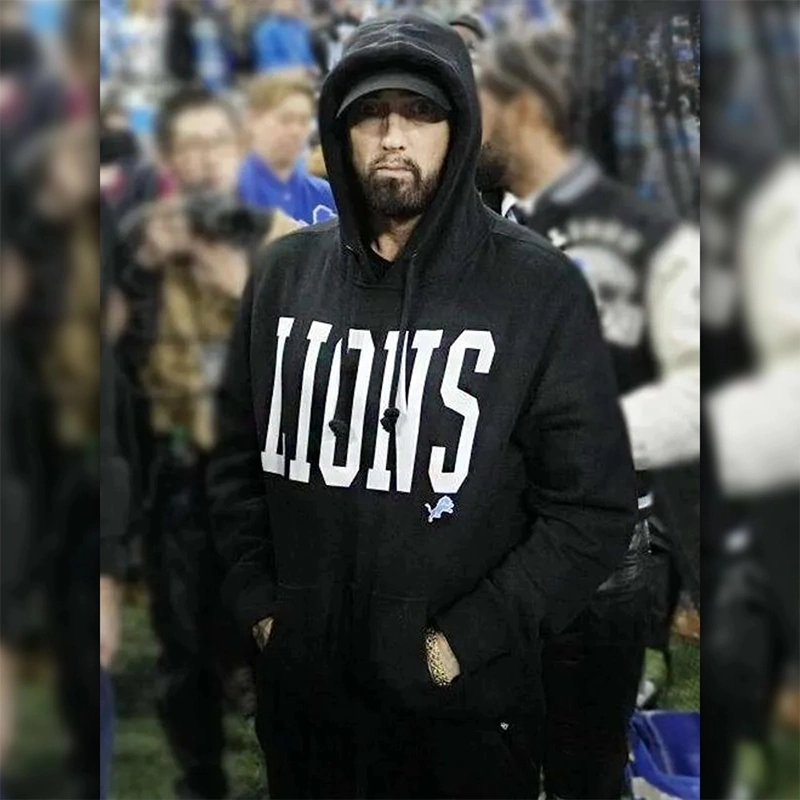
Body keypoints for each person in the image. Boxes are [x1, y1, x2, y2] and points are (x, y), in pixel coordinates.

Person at [209, 13, 637, 799]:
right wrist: (263, 608)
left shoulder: (538, 288)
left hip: (465, 722)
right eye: (370, 113)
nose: (393, 137)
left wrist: (457, 646)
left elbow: (590, 509)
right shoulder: (283, 276)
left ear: (460, 128)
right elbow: (232, 460)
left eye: (420, 112)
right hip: (307, 714)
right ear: (339, 131)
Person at [476, 23, 700, 798]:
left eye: (480, 101)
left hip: (596, 553)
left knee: (586, 767)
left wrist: (570, 438)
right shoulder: (478, 221)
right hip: (484, 549)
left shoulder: (645, 231)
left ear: (528, 110)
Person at [112, 84, 300, 800]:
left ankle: (289, 767)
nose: (202, 161)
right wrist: (144, 267)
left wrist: (237, 282)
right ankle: (201, 780)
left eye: (215, 143)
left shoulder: (281, 238)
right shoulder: (142, 239)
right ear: (167, 159)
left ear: (238, 148)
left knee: (280, 646)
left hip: (266, 478)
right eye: (186, 147)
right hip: (182, 473)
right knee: (184, 652)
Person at [238, 72, 337, 225]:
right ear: (253, 120)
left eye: (303, 121)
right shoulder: (232, 194)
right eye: (285, 119)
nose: (295, 131)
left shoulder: (323, 193)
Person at [251, 0, 317, 74]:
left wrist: (311, 68)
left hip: (305, 75)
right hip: (278, 77)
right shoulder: (266, 30)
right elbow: (267, 65)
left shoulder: (300, 27)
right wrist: (296, 70)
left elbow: (309, 59)